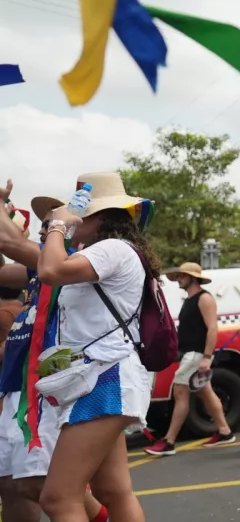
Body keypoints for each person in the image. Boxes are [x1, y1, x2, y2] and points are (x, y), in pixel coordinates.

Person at [35, 172, 155, 521]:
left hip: (105, 377)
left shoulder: (112, 249)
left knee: (58, 499)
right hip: (104, 376)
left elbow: (50, 270)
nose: (72, 219)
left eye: (78, 213)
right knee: (112, 492)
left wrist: (58, 226)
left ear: (100, 216)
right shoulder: (107, 251)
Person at [0, 184, 108, 522]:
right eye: (46, 223)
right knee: (10, 484)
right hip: (16, 385)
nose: (48, 227)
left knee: (38, 485)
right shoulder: (39, 267)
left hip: (44, 390)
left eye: (56, 221)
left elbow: (11, 243)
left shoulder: (73, 262)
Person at [145, 262, 235, 455]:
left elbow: (212, 328)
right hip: (190, 353)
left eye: (182, 276)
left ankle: (169, 441)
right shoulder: (190, 299)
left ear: (193, 278)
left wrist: (206, 357)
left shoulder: (204, 298)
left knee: (180, 392)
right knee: (205, 392)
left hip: (196, 354)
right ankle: (225, 431)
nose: (179, 279)